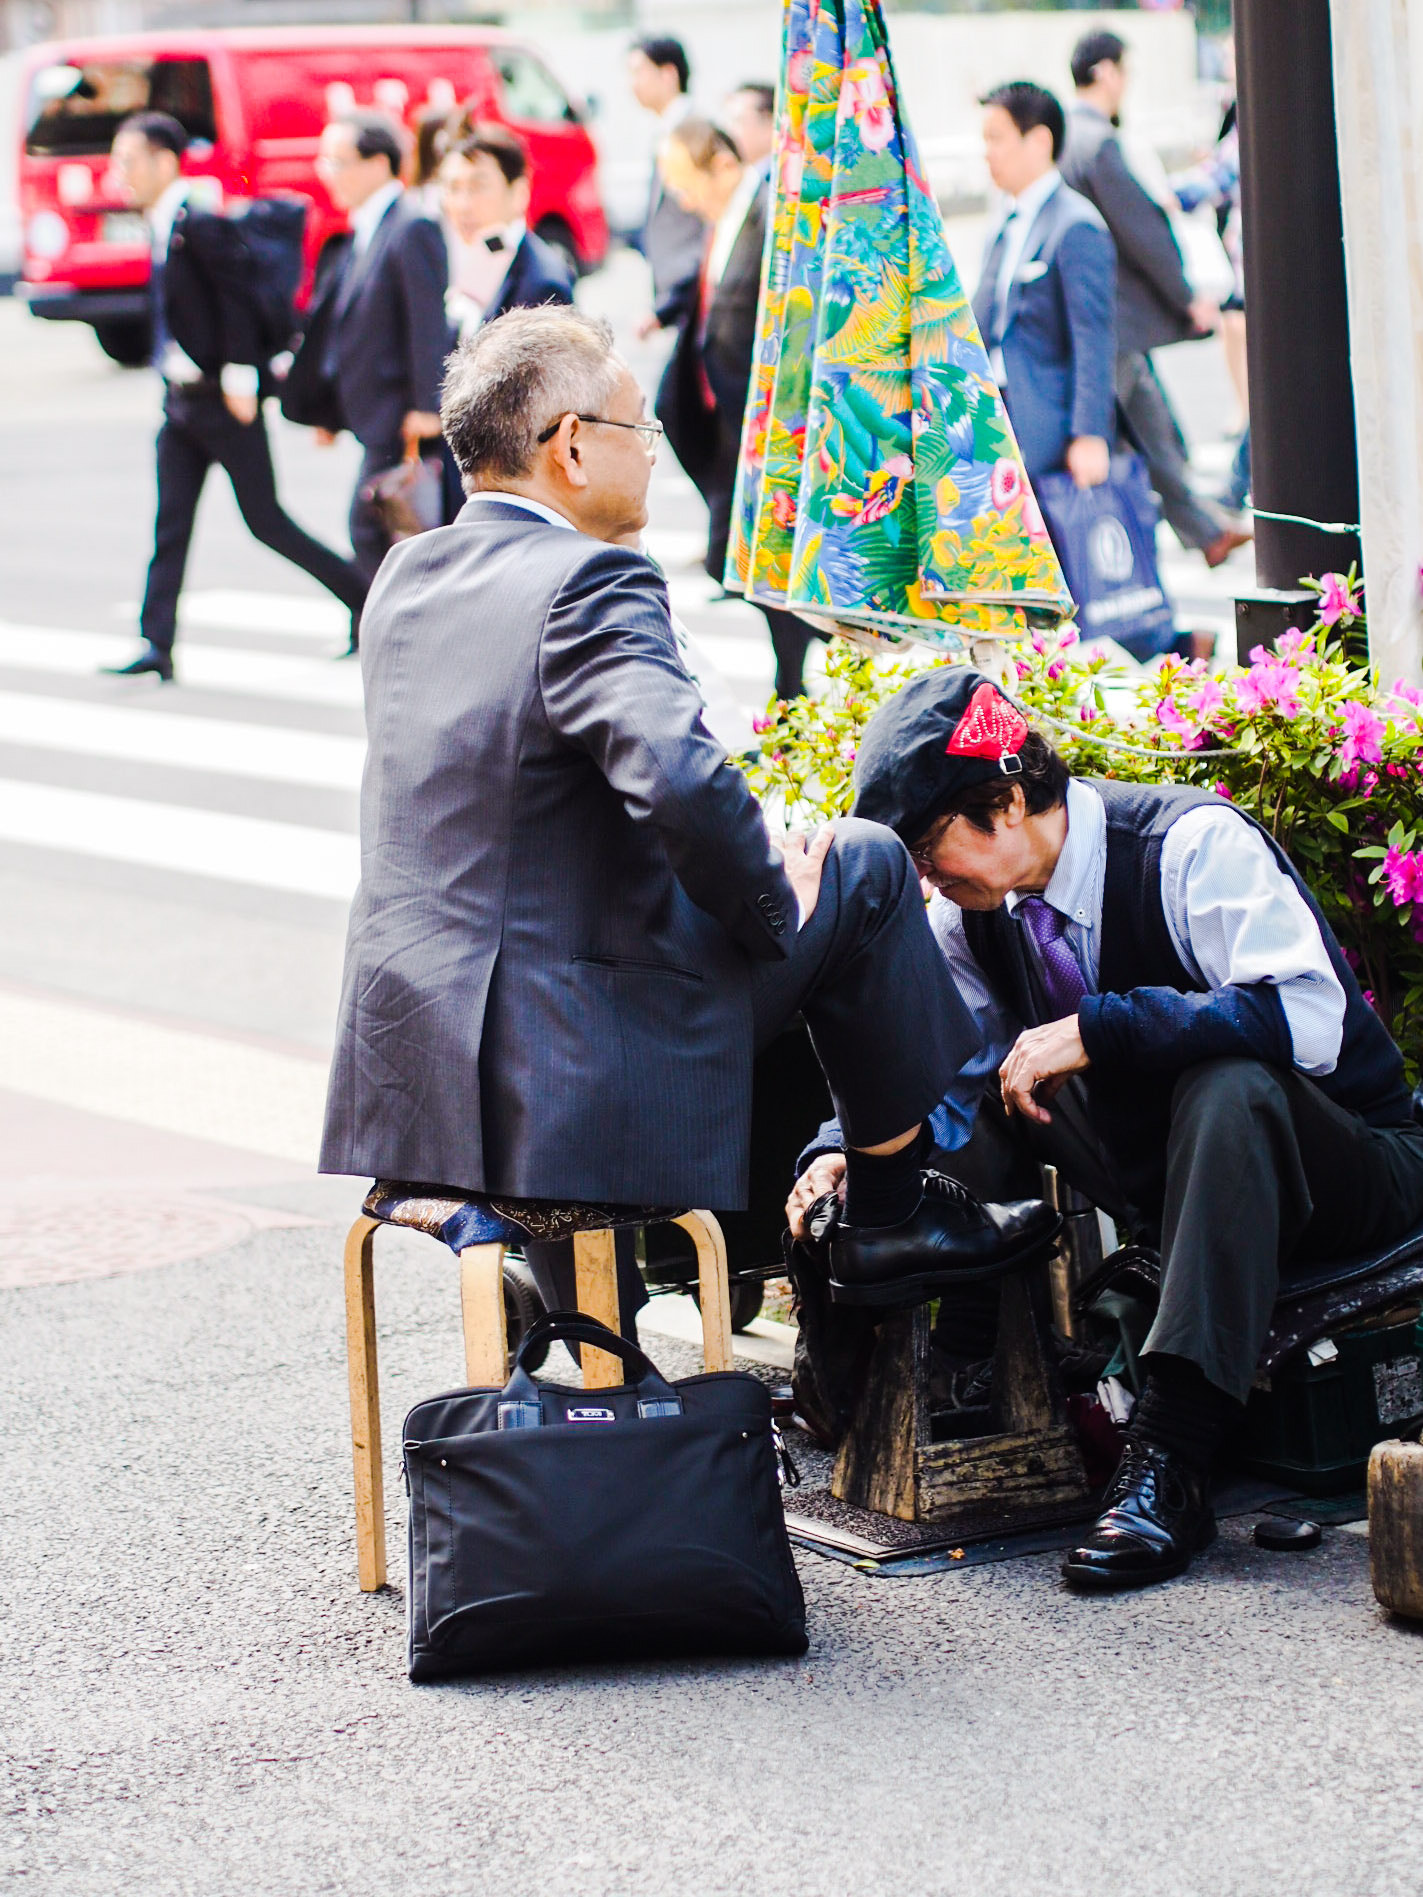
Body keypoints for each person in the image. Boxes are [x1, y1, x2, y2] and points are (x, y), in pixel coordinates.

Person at [319, 306, 1057, 1330]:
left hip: (418, 1077)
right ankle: (889, 1214)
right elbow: (683, 781)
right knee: (867, 867)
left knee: (774, 908)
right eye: (641, 429)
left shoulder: (407, 577)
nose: (657, 456)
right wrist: (777, 897)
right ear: (573, 446)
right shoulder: (590, 577)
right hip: (564, 1077)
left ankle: (629, 1299)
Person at [787, 667, 1423, 1591]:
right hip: (1173, 1184)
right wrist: (840, 1148)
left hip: (1355, 1171)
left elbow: (1308, 1022)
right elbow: (931, 1074)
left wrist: (1101, 1027)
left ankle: (1171, 1458)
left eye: (928, 850)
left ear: (1004, 803)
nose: (925, 877)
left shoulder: (1189, 844)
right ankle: (933, 1349)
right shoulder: (979, 920)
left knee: (1228, 1079)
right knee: (991, 1085)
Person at [103, 111, 367, 682]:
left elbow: (238, 300)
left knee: (266, 520)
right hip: (180, 404)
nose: (118, 173)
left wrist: (243, 374)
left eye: (128, 160)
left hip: (223, 401)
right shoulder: (163, 220)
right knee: (169, 523)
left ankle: (366, 601)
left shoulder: (199, 220)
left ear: (162, 160)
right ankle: (156, 645)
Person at [1059, 30, 1250, 569]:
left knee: (1153, 425)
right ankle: (1182, 536)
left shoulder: (1069, 136)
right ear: (1106, 72)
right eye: (1125, 71)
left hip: (1103, 316)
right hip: (1114, 317)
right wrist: (1184, 294)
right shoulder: (1098, 142)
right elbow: (1142, 231)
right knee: (1127, 435)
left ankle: (1207, 530)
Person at [656, 117, 819, 699]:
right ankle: (795, 679)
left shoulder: (773, 213)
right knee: (740, 563)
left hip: (766, 424)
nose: (680, 196)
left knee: (756, 563)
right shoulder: (722, 217)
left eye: (683, 180)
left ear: (722, 165)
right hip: (725, 420)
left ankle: (793, 687)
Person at [284, 111, 449, 608]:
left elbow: (426, 321)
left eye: (338, 161)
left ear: (379, 164)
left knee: (372, 524)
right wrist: (329, 413)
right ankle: (380, 627)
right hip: (370, 408)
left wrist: (428, 404)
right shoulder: (365, 226)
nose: (327, 172)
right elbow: (346, 329)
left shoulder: (410, 225)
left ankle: (383, 628)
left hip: (399, 411)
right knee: (377, 526)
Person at [972, 82, 1116, 490]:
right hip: (995, 415)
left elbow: (1094, 338)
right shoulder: (1004, 219)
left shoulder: (1076, 225)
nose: (987, 152)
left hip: (1043, 425)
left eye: (996, 138)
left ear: (1038, 141)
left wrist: (1089, 434)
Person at [438, 124, 574, 342]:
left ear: (519, 192)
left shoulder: (543, 282)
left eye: (477, 187)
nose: (462, 205)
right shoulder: (446, 258)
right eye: (453, 188)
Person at [626, 35, 707, 341]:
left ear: (668, 74)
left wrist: (670, 302)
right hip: (676, 293)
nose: (632, 84)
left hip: (691, 291)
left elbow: (706, 219)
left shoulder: (694, 134)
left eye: (638, 72)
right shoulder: (665, 133)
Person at [722, 81, 777, 175]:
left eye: (737, 121)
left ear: (770, 124)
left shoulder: (779, 181)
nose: (728, 130)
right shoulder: (749, 176)